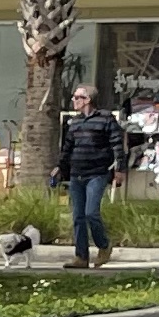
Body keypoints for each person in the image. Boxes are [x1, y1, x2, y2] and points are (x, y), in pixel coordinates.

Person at [57, 81, 127, 268]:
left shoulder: (106, 119)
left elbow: (117, 145)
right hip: (76, 174)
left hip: (97, 173)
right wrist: (59, 167)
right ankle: (81, 257)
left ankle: (103, 245)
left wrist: (120, 169)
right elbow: (68, 147)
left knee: (91, 213)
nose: (74, 100)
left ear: (87, 99)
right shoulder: (75, 122)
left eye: (77, 97)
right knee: (78, 216)